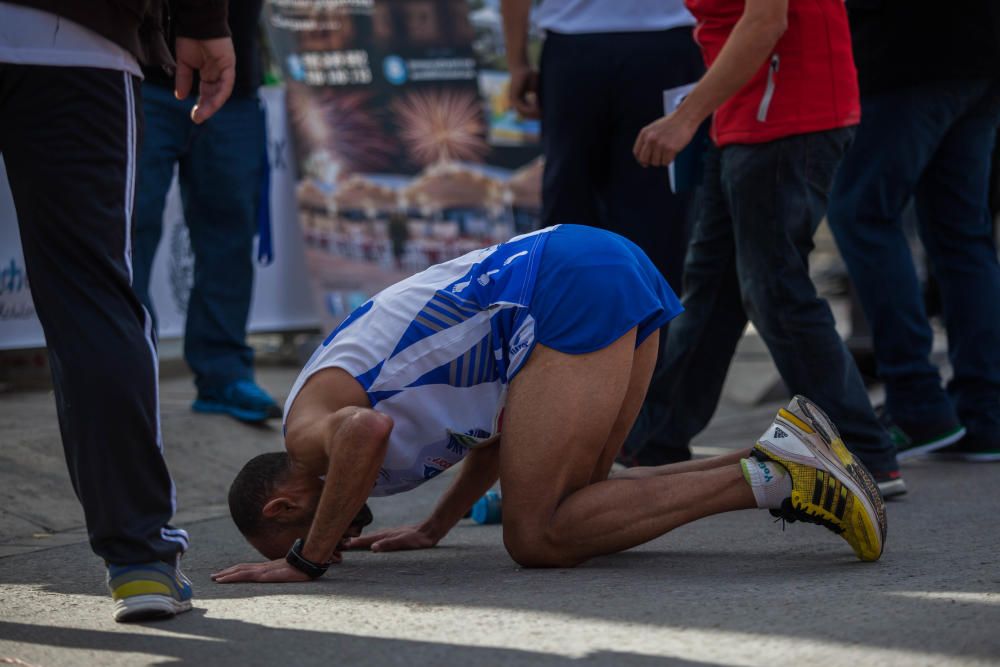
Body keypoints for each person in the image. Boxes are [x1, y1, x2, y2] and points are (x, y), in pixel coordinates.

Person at [211, 225, 886, 585]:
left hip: (559, 283)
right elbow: (499, 434)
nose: (337, 548)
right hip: (590, 265)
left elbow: (365, 428)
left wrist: (303, 561)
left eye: (302, 535)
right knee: (584, 503)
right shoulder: (339, 442)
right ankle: (784, 450)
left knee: (537, 535)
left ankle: (775, 480)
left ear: (283, 506)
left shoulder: (306, 436)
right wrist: (435, 525)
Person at [0, 0, 234, 621]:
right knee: (90, 298)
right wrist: (205, 21)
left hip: (76, 35)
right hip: (72, 33)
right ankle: (140, 563)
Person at [628, 0, 906, 497]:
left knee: (775, 289)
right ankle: (653, 440)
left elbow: (766, 21)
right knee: (714, 288)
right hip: (742, 114)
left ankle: (861, 453)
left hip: (787, 114)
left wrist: (685, 117)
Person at [501, 0, 705, 467]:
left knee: (591, 233)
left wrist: (517, 61)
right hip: (650, 45)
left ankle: (589, 411)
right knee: (639, 230)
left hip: (604, 46)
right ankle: (633, 423)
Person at [825, 1, 1000, 463]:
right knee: (962, 233)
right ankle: (985, 412)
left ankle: (917, 402)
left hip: (901, 54)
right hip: (979, 51)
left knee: (861, 215)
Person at [131, 0, 279, 425]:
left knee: (230, 235)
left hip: (235, 81)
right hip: (142, 71)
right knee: (129, 230)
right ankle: (126, 373)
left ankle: (223, 374)